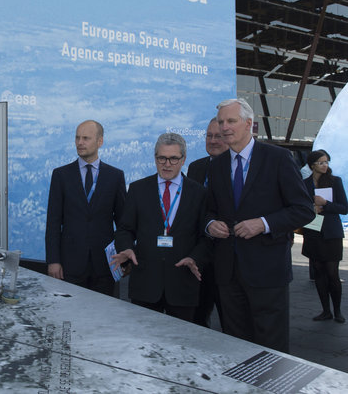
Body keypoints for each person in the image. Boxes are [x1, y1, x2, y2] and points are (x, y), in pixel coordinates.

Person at [205, 98, 314, 353]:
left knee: (271, 348)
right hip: (228, 273)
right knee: (235, 344)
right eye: (221, 122)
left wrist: (263, 223)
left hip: (267, 272)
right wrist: (210, 224)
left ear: (248, 124)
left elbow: (303, 209)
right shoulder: (217, 165)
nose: (224, 127)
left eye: (231, 121)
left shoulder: (278, 158)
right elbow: (209, 209)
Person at [111, 133, 211, 321]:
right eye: (161, 158)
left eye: (173, 158)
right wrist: (126, 248)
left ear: (183, 160)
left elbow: (205, 237)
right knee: (143, 344)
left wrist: (194, 257)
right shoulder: (138, 189)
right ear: (155, 158)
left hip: (183, 284)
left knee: (181, 345)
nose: (167, 164)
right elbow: (125, 229)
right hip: (146, 283)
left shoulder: (198, 193)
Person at [45, 120, 126, 297]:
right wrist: (53, 261)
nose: (80, 142)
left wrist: (123, 257)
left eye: (86, 138)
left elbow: (123, 224)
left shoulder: (115, 176)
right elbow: (53, 222)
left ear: (100, 142)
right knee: (69, 317)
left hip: (105, 265)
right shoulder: (61, 175)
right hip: (69, 265)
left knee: (103, 318)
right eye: (77, 138)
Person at [186, 118, 228, 328]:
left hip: (229, 259)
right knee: (198, 320)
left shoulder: (236, 169)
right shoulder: (196, 167)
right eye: (209, 136)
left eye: (218, 136)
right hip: (200, 261)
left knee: (233, 323)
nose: (212, 141)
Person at [302, 150, 348, 323]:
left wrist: (325, 204)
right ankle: (325, 310)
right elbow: (298, 205)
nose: (325, 165)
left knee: (332, 273)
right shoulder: (304, 183)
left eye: (327, 162)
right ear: (312, 164)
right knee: (319, 272)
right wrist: (310, 208)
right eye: (321, 162)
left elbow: (344, 208)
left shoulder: (335, 181)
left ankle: (337, 311)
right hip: (313, 230)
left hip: (331, 232)